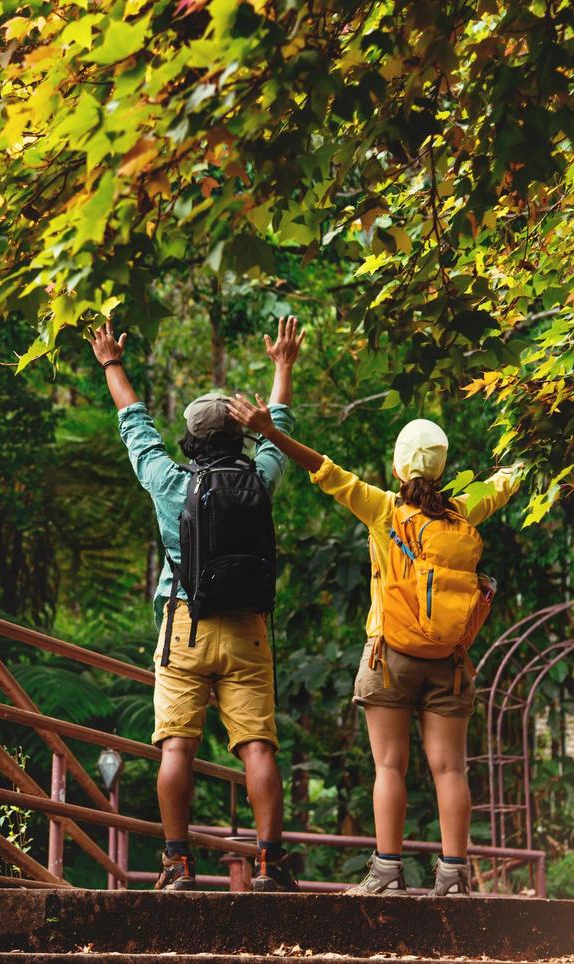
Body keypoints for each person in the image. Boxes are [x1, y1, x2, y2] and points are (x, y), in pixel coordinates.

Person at [225, 395, 523, 896]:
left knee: (389, 765)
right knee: (450, 768)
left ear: (397, 464)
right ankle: (454, 875)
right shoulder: (465, 512)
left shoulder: (384, 510)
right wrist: (541, 441)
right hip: (449, 662)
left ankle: (387, 872)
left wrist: (270, 432)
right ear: (443, 466)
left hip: (390, 657)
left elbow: (324, 469)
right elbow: (505, 482)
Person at [87, 315, 304, 893]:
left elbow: (134, 424)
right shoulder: (260, 477)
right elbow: (278, 426)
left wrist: (112, 361)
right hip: (248, 629)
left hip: (185, 623)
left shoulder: (168, 481)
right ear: (238, 434)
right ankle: (270, 864)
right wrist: (282, 366)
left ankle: (178, 864)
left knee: (177, 746)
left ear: (191, 439)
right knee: (256, 743)